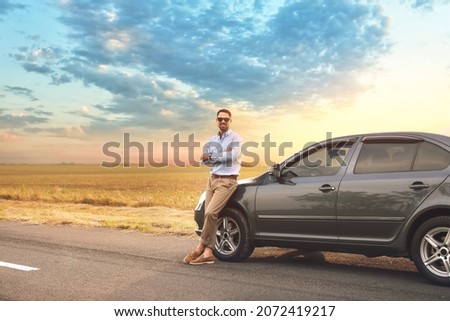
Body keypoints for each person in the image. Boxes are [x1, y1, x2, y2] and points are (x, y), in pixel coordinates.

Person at [183, 108, 241, 265]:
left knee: (210, 213)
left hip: (227, 181)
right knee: (211, 216)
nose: (223, 121)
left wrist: (214, 156)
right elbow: (204, 161)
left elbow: (232, 156)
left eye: (226, 119)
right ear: (216, 121)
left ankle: (201, 247)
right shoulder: (212, 139)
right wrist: (212, 157)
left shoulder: (236, 138)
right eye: (220, 119)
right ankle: (208, 252)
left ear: (230, 121)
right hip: (212, 179)